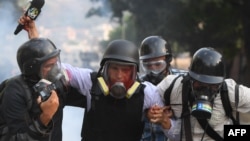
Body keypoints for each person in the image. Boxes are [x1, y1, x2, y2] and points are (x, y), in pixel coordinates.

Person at [20, 15, 173, 141]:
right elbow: (52, 66)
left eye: (125, 70)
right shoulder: (89, 82)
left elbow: (175, 127)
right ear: (105, 69)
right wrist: (34, 36)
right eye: (114, 68)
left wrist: (163, 120)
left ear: (135, 72)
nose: (119, 75)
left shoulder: (148, 93)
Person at [151, 47, 250, 140]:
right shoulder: (172, 87)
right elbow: (145, 100)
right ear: (190, 79)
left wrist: (230, 133)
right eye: (200, 84)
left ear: (220, 83)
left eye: (213, 86)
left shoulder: (232, 93)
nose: (206, 90)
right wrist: (156, 114)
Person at [0, 38, 65, 141]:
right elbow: (14, 138)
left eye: (55, 64)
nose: (55, 70)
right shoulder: (15, 91)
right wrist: (44, 118)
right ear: (32, 68)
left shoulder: (56, 84)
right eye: (49, 66)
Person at [139, 35, 173, 141]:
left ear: (168, 60)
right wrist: (144, 112)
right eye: (148, 66)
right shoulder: (138, 86)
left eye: (158, 65)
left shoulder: (182, 81)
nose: (153, 70)